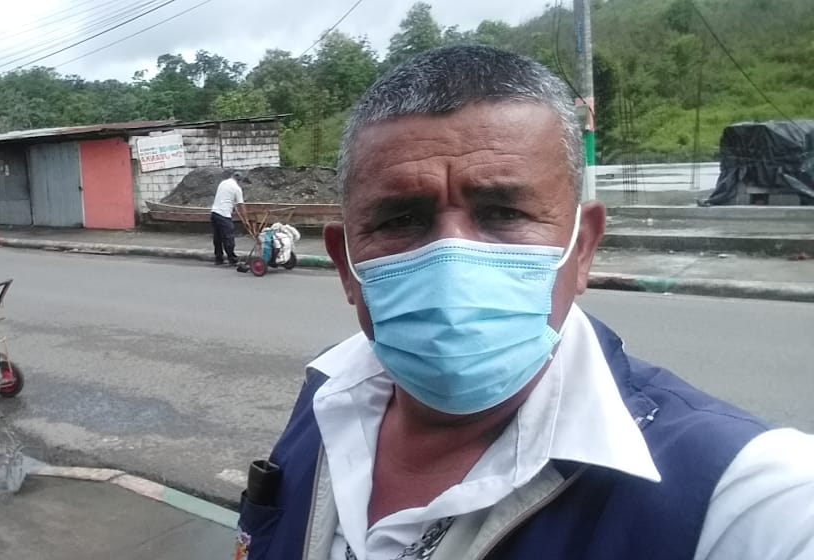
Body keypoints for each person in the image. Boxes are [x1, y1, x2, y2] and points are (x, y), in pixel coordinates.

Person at [236, 45, 814, 560]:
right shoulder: (324, 394)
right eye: (401, 219)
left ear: (581, 249)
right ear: (346, 266)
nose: (453, 262)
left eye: (503, 213)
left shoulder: (739, 498)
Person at [211, 170, 246, 266]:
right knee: (228, 237)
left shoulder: (223, 183)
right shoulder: (237, 188)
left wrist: (232, 207)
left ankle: (218, 258)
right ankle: (232, 259)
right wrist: (245, 219)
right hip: (224, 214)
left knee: (217, 238)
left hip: (214, 213)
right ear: (239, 180)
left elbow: (225, 198)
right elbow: (241, 205)